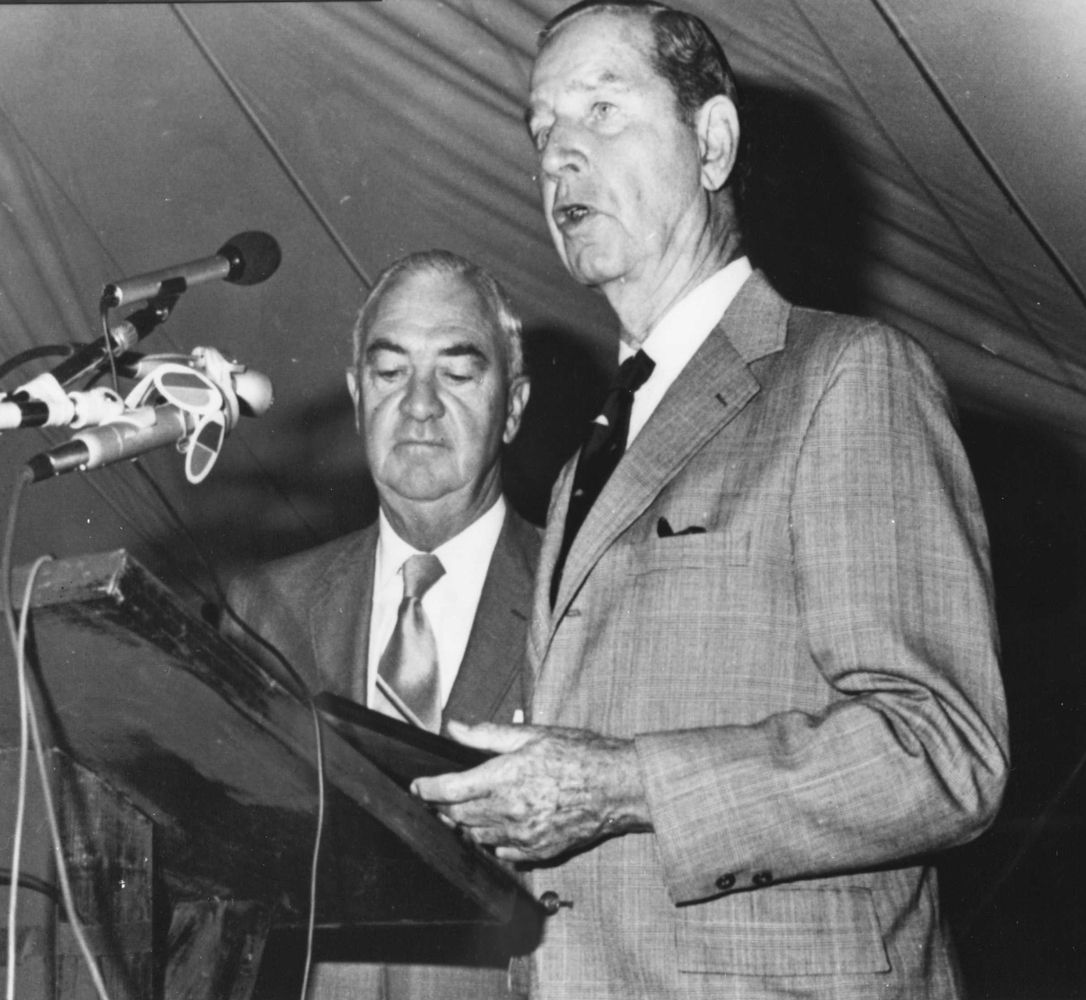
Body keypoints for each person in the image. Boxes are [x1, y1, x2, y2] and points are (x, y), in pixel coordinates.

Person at [412, 4, 1010, 998]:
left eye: (602, 110)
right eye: (541, 128)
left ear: (714, 142)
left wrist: (621, 782)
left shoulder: (843, 377)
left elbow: (943, 749)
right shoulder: (579, 468)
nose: (560, 152)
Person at [227, 249, 538, 1000]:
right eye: (390, 372)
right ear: (357, 398)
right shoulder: (263, 606)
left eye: (459, 373)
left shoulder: (583, 591)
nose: (421, 404)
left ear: (515, 406)